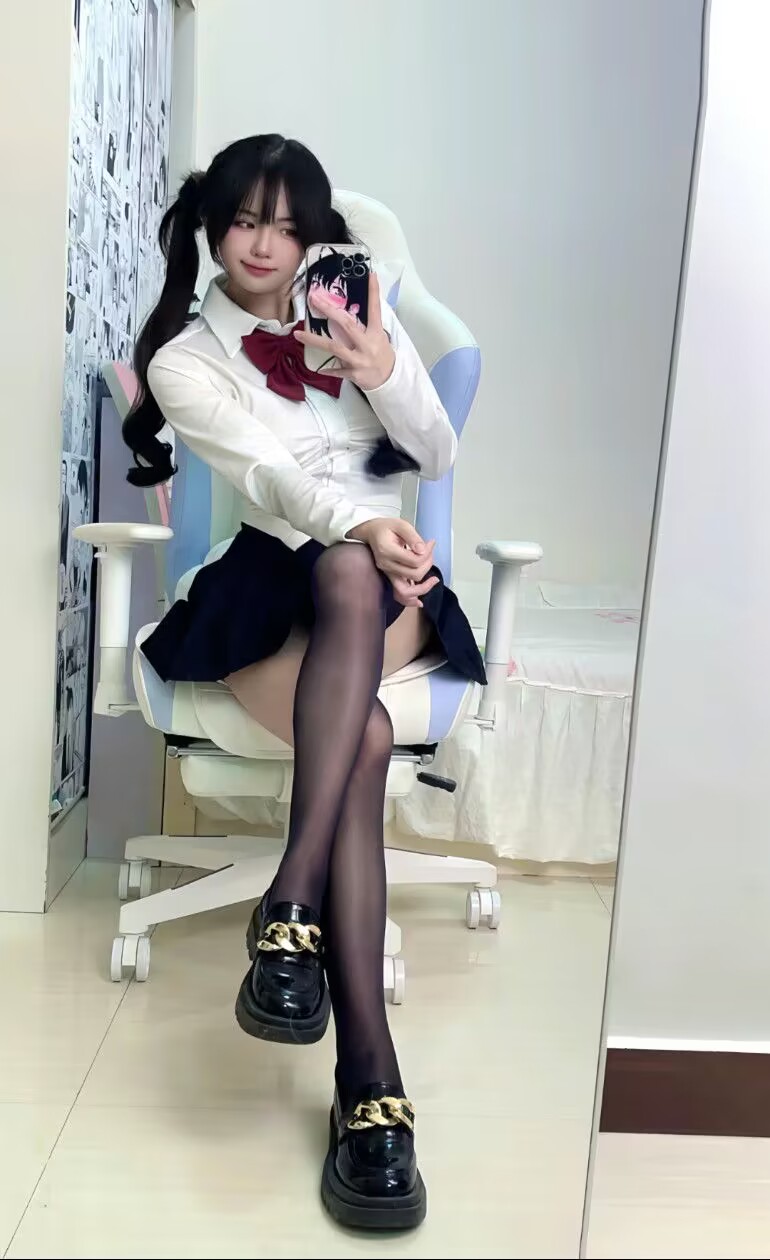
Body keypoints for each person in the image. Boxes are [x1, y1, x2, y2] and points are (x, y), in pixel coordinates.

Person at [124, 133, 485, 1232]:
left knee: (353, 577)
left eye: (286, 226)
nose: (263, 246)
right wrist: (362, 524)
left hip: (383, 596)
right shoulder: (188, 361)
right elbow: (271, 475)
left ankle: (290, 911)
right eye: (244, 221)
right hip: (267, 588)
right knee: (360, 728)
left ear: (313, 234)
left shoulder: (358, 309)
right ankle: (367, 1080)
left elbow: (435, 453)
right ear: (212, 227)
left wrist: (378, 367)